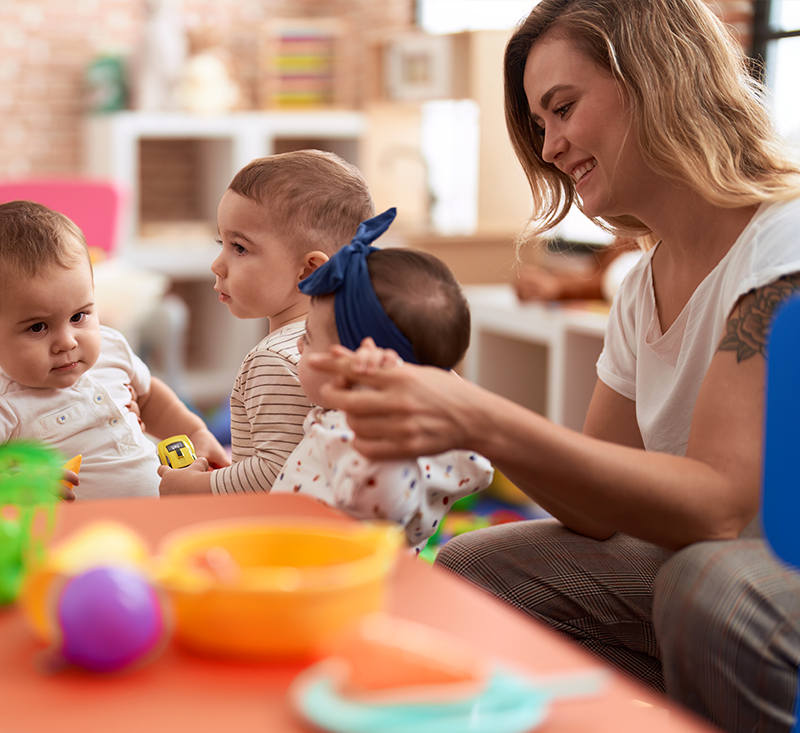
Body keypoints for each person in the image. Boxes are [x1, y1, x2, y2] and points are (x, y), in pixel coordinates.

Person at [308, 0, 800, 731]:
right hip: (718, 573)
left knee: (708, 590)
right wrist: (452, 406)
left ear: (655, 76)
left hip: (753, 573)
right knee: (477, 573)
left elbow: (717, 504)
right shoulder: (640, 286)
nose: (550, 147)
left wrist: (475, 412)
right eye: (540, 125)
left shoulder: (782, 243)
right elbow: (594, 508)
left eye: (562, 109)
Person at [0, 200, 224, 500]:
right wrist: (6, 486)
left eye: (78, 317)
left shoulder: (111, 347)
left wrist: (196, 433)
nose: (68, 342)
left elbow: (149, 396)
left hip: (158, 520)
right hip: (79, 542)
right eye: (37, 327)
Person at [270, 209, 493, 553]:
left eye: (309, 338)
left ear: (358, 366)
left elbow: (381, 507)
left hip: (332, 584)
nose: (298, 345)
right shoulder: (427, 427)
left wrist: (377, 436)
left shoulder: (369, 435)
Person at [156, 149, 375, 495]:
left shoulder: (273, 359)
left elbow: (276, 474)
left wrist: (196, 486)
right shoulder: (359, 337)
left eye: (239, 248)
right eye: (221, 242)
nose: (217, 263)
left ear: (309, 271)